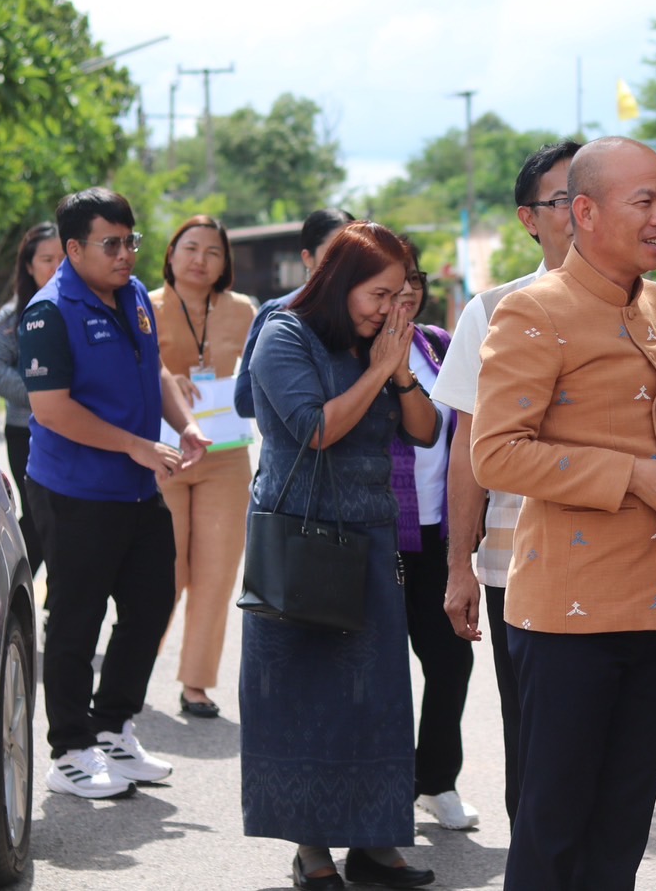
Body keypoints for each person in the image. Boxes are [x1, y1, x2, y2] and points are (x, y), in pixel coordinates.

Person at [471, 136, 656, 891]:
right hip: (568, 611)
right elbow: (496, 454)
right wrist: (635, 477)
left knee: (622, 829)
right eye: (644, 202)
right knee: (553, 829)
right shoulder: (532, 310)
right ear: (584, 212)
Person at [240, 221, 440, 891]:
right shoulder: (284, 333)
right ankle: (311, 849)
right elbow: (314, 428)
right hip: (301, 539)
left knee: (374, 697)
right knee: (304, 697)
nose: (387, 308)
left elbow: (426, 430)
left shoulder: (378, 342)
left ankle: (376, 844)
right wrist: (379, 368)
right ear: (340, 281)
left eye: (398, 295)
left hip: (371, 535)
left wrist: (400, 370)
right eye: (377, 294)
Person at [18, 188, 211, 800]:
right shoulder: (49, 313)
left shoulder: (132, 296)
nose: (126, 254)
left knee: (151, 604)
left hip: (135, 487)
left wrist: (185, 425)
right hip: (74, 491)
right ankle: (70, 750)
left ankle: (111, 727)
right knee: (77, 618)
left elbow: (155, 368)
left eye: (131, 241)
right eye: (112, 244)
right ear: (74, 249)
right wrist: (135, 445)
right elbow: (51, 410)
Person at [436, 139, 580, 830]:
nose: (582, 213)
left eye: (593, 196)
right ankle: (536, 867)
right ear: (530, 218)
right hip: (517, 561)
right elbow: (467, 447)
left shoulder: (653, 308)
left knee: (615, 745)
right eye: (565, 199)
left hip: (629, 561)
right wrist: (458, 565)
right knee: (533, 731)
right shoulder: (492, 310)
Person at [151, 216, 258, 719]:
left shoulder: (244, 310)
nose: (200, 259)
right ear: (171, 254)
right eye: (190, 248)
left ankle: (196, 683)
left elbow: (257, 375)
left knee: (216, 574)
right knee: (164, 572)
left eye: (212, 252)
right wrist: (166, 381)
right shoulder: (143, 305)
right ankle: (134, 668)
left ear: (225, 263)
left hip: (225, 453)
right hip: (163, 451)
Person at [387, 237, 477, 830]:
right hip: (380, 537)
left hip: (438, 533)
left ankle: (436, 781)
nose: (409, 291)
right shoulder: (355, 349)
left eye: (415, 279)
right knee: (384, 670)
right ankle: (386, 786)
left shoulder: (438, 344)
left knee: (449, 663)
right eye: (394, 283)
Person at [0, 221, 63, 575]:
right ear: (29, 265)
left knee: (69, 516)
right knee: (39, 514)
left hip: (78, 433)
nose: (56, 267)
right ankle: (14, 581)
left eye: (63, 258)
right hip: (26, 432)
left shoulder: (83, 308)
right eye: (47, 259)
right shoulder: (15, 315)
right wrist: (43, 398)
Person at [234, 207, 356, 418]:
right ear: (308, 258)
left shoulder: (371, 311)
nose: (345, 261)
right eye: (335, 252)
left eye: (353, 252)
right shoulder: (278, 312)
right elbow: (245, 399)